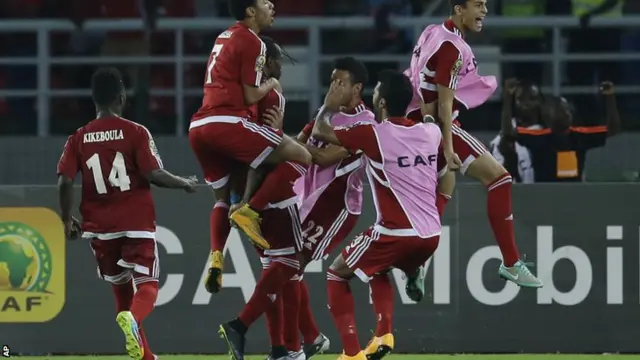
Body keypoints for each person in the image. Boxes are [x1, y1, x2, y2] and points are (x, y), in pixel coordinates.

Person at [56, 68, 197, 360]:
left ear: (94, 100)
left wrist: (67, 218)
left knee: (121, 291)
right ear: (121, 97)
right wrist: (184, 182)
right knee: (148, 286)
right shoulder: (135, 132)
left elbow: (65, 180)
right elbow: (153, 173)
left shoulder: (78, 138)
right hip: (136, 223)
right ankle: (133, 321)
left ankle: (145, 356)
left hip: (99, 228)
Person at [404, 0, 543, 291]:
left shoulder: (432, 31)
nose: (485, 11)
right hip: (436, 126)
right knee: (500, 179)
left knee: (445, 187)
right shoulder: (453, 48)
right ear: (458, 9)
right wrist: (449, 146)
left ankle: (416, 261)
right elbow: (443, 102)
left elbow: (416, 78)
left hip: (415, 120)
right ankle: (510, 262)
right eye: (478, 5)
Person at [312, 70, 442, 360]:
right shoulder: (430, 133)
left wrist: (329, 105)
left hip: (396, 232)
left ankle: (350, 354)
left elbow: (320, 131)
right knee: (376, 268)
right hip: (431, 235)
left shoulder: (374, 134)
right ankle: (384, 333)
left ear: (381, 103)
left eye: (375, 96)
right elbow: (433, 121)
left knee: (336, 273)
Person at [189, 0, 312, 292]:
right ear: (250, 11)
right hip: (228, 123)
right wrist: (271, 86)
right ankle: (249, 209)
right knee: (301, 155)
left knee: (221, 198)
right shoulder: (254, 43)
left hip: (199, 127)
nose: (272, 5)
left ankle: (217, 256)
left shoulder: (224, 36)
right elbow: (250, 96)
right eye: (265, 2)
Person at [507, 82, 621, 182]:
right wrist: (508, 98)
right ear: (550, 115)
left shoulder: (580, 135)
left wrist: (610, 97)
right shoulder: (538, 137)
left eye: (568, 109)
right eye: (561, 109)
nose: (567, 112)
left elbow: (613, 129)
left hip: (573, 197)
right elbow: (509, 131)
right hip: (544, 196)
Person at [491, 79, 545, 183]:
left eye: (532, 99)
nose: (526, 104)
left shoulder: (546, 133)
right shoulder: (502, 136)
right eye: (521, 99)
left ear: (541, 102)